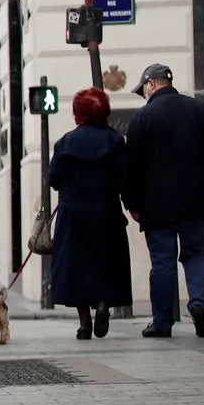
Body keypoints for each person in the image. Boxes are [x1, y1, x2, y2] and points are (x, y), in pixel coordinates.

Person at [126, 64, 204, 339]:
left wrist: (132, 203)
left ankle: (162, 322)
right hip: (196, 201)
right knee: (196, 254)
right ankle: (197, 303)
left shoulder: (142, 118)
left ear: (152, 85)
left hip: (156, 206)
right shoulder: (199, 111)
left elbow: (132, 168)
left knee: (162, 263)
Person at [48, 87, 132, 340]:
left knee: (76, 267)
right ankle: (103, 303)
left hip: (73, 214)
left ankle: (84, 323)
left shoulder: (65, 143)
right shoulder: (115, 141)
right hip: (106, 211)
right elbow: (124, 179)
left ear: (77, 114)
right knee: (105, 262)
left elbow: (54, 178)